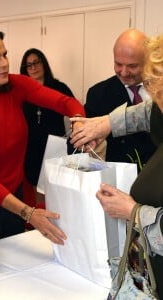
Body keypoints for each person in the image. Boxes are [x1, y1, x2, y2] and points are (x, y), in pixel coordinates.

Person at [0, 25, 85, 244]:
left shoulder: (15, 85)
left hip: (16, 196)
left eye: (4, 55)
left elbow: (65, 102)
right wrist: (29, 213)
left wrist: (80, 124)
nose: (4, 63)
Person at [75, 34, 163, 299]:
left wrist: (133, 211)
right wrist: (106, 124)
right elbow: (147, 112)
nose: (156, 99)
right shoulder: (156, 105)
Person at [84, 28, 156, 171]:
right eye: (118, 64)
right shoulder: (98, 94)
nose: (123, 72)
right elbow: (80, 140)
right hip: (119, 181)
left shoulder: (159, 87)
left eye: (132, 66)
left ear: (148, 61)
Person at [19, 48, 74, 207]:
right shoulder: (21, 92)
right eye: (29, 65)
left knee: (57, 190)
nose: (33, 68)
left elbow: (74, 113)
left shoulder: (59, 87)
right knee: (38, 191)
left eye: (36, 63)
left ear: (44, 64)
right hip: (32, 149)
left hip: (55, 148)